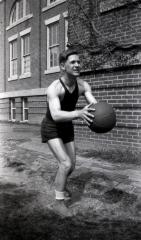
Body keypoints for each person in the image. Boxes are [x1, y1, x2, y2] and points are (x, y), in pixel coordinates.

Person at [41, 48, 97, 217]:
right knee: (65, 163)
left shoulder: (83, 85)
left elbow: (94, 105)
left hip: (66, 127)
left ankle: (60, 181)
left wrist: (103, 114)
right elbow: (56, 115)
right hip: (51, 127)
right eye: (72, 62)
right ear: (62, 66)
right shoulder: (54, 88)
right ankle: (58, 203)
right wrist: (78, 113)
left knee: (71, 165)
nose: (77, 65)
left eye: (79, 62)